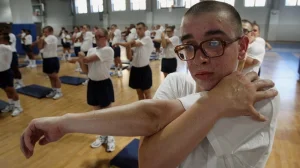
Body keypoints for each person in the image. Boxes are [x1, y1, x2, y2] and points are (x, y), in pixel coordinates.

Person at [20, 2, 279, 167]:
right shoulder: (178, 82)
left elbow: (154, 160)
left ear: (242, 46)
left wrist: (216, 100)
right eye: (189, 46)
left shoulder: (259, 97)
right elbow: (151, 122)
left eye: (214, 43)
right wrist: (218, 100)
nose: (199, 59)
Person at [77, 28, 115, 151]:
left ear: (106, 38)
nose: (96, 38)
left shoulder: (108, 50)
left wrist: (81, 57)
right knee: (96, 114)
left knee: (107, 114)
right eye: (95, 36)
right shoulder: (91, 50)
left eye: (99, 36)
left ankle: (111, 137)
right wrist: (80, 59)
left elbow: (86, 60)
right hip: (92, 83)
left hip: (104, 84)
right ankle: (102, 135)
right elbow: (85, 69)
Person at [115, 22, 154, 100]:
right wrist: (128, 47)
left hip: (144, 69)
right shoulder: (135, 41)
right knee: (139, 93)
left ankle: (149, 111)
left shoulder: (147, 39)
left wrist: (119, 43)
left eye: (140, 29)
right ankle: (142, 110)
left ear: (145, 29)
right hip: (135, 69)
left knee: (147, 94)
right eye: (136, 29)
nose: (137, 30)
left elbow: (133, 44)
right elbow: (129, 58)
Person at [33, 26, 63, 99]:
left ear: (51, 31)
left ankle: (59, 92)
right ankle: (54, 90)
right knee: (50, 76)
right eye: (44, 32)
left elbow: (39, 47)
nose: (44, 33)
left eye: (46, 32)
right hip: (47, 59)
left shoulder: (51, 37)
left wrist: (40, 39)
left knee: (54, 76)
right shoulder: (47, 38)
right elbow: (41, 46)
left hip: (52, 59)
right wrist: (40, 39)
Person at [0, 33, 23, 116]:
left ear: (5, 40)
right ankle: (11, 105)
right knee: (6, 90)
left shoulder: (6, 47)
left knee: (11, 90)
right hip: (0, 72)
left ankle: (18, 107)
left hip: (6, 72)